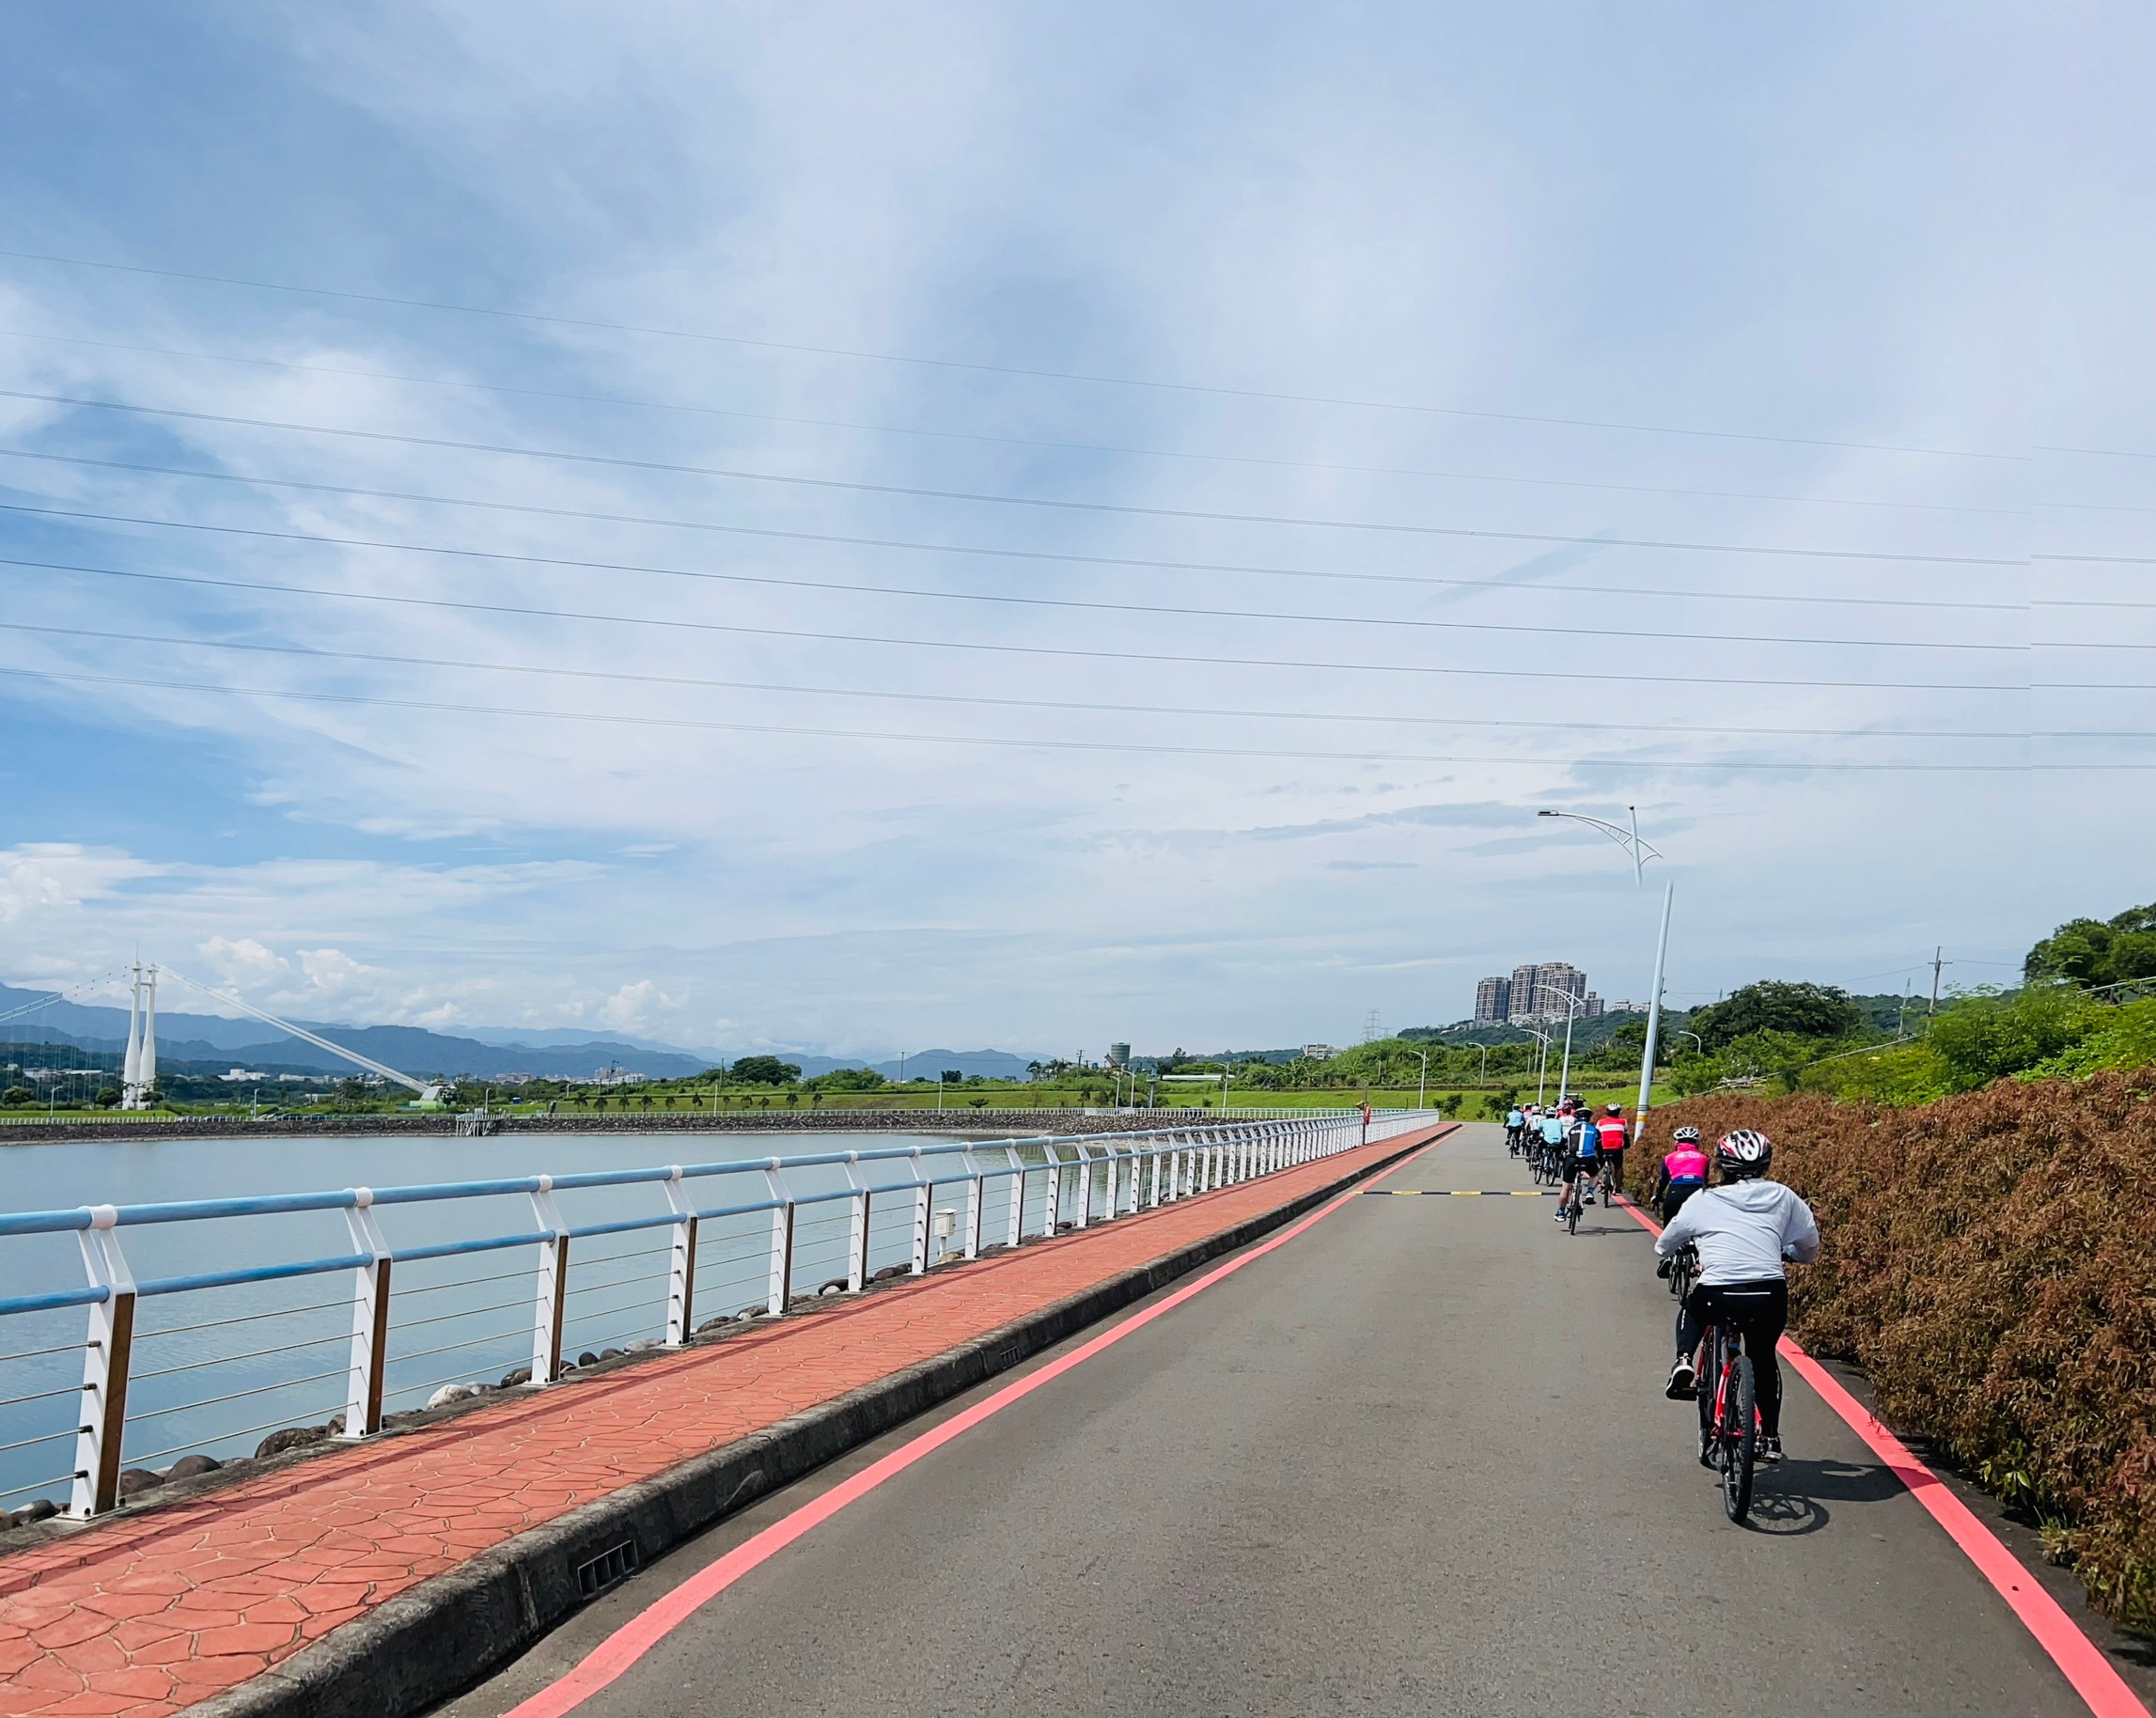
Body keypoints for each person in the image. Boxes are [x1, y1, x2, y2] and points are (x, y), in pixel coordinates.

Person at [1656, 1130, 1820, 1464]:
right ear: (1766, 1164)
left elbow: (1666, 1242)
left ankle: (1685, 1360)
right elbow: (1809, 1245)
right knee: (1762, 1359)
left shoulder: (1704, 1199)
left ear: (1720, 1164)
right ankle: (1770, 1436)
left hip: (1718, 1291)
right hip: (1767, 1293)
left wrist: (1675, 1249)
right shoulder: (1784, 1196)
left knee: (1694, 1307)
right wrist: (1790, 1253)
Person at [1651, 1127, 1710, 1227]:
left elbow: (1663, 1180)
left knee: (1669, 1227)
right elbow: (1706, 1180)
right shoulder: (1704, 1158)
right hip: (1698, 1192)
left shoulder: (1669, 1158)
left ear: (1676, 1143)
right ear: (1696, 1143)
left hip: (1677, 1191)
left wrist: (1658, 1195)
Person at [1554, 1107, 1599, 1223]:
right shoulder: (1595, 1130)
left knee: (1566, 1187)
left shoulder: (1569, 1129)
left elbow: (1561, 1146)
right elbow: (1600, 1149)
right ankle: (1589, 1193)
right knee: (1595, 1175)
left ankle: (1561, 1212)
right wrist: (1600, 1162)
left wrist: (1558, 1156)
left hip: (1572, 1159)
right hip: (1589, 1159)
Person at [1593, 1102, 1629, 1197]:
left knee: (1600, 1164)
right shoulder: (1623, 1121)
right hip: (1617, 1148)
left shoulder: (1600, 1122)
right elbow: (1625, 1135)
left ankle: (1601, 1181)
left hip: (1603, 1147)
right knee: (1618, 1167)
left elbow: (1597, 1136)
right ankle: (1618, 1188)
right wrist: (1627, 1145)